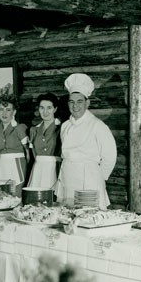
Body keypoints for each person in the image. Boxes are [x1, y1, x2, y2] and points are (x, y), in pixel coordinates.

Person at [57, 73, 117, 209]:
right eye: (71, 101)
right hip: (67, 177)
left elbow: (110, 157)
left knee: (87, 217)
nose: (75, 106)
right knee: (67, 215)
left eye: (79, 101)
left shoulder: (98, 126)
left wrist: (96, 177)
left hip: (88, 181)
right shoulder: (65, 126)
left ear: (87, 103)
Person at [0, 95, 30, 196]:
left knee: (15, 196)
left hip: (16, 166)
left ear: (14, 112)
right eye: (1, 109)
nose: (4, 113)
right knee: (0, 196)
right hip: (1, 166)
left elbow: (28, 153)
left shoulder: (20, 128)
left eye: (8, 110)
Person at [27, 93, 62, 190]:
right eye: (42, 108)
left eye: (49, 108)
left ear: (55, 109)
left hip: (55, 169)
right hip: (38, 170)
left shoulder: (61, 128)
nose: (45, 112)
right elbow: (32, 155)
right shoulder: (33, 130)